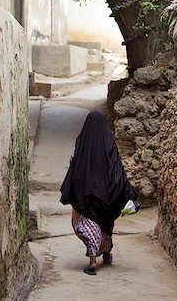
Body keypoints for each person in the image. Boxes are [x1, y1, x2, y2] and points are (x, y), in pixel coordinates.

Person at [60, 110, 138, 275]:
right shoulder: (110, 143)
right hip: (107, 196)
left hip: (87, 195)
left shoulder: (82, 142)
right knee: (106, 225)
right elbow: (117, 171)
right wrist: (122, 191)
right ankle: (107, 253)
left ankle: (93, 261)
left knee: (86, 225)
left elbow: (74, 165)